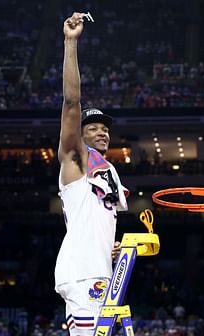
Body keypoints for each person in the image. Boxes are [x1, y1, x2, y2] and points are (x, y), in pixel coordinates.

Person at [54, 12, 129, 336]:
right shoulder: (74, 161)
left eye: (104, 129)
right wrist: (71, 42)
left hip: (102, 272)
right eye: (93, 128)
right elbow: (72, 102)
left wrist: (109, 246)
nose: (102, 133)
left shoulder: (108, 169)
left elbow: (99, 219)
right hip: (84, 274)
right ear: (79, 136)